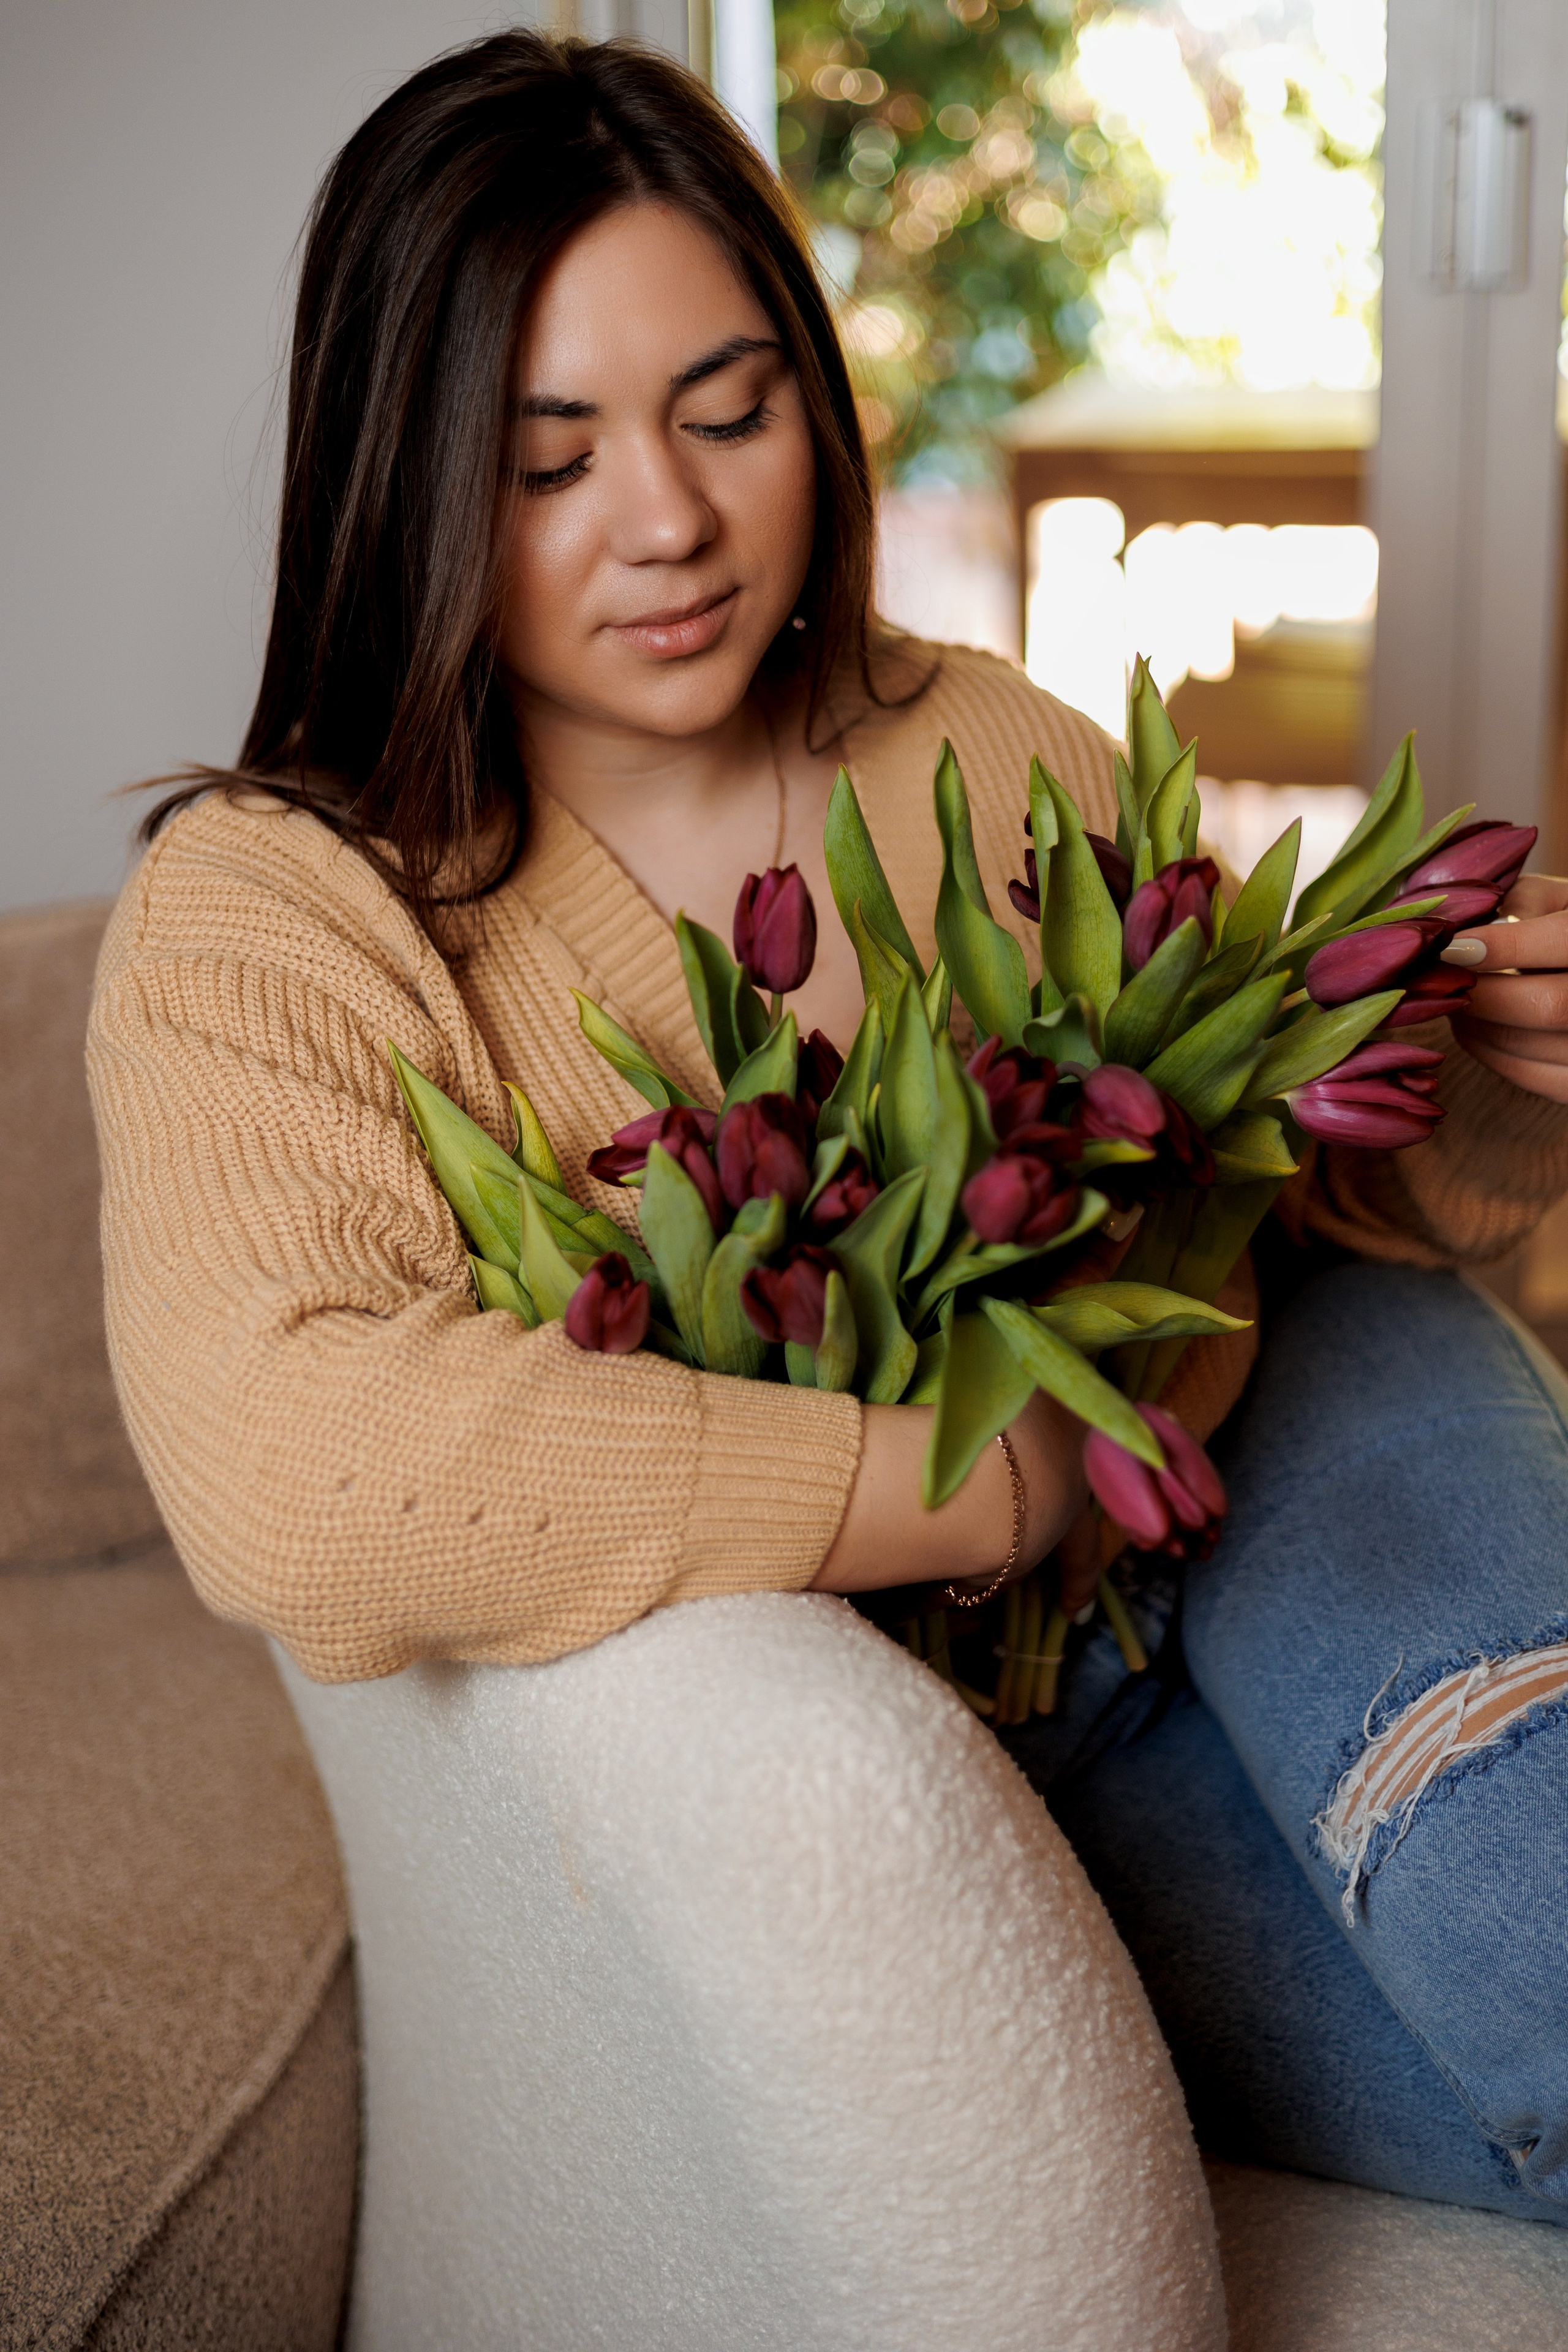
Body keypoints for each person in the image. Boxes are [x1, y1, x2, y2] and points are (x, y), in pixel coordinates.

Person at [89, 30, 1568, 2226]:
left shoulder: (992, 748)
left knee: (1534, 1888)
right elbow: (298, 1468)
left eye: (730, 409)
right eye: (547, 456)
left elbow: (1299, 1174)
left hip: (1303, 1414)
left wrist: (1501, 1086)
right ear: (399, 472)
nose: (671, 521)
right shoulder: (275, 914)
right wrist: (969, 1483)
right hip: (973, 1742)